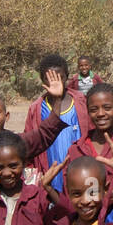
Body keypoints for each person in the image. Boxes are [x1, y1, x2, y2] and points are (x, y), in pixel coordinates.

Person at [23, 54, 90, 194]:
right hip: (50, 171)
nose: (55, 83)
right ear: (42, 79)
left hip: (81, 168)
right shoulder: (36, 108)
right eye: (49, 79)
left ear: (67, 76)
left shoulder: (81, 101)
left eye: (60, 78)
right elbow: (31, 144)